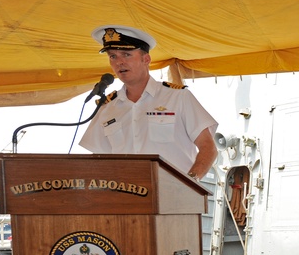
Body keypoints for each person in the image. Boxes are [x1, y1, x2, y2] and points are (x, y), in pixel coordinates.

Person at [80, 25, 218, 180]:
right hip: (124, 198)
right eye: (113, 56)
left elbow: (208, 148)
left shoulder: (178, 97)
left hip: (173, 196)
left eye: (126, 54)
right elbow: (98, 161)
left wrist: (189, 184)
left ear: (146, 59)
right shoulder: (106, 107)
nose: (119, 62)